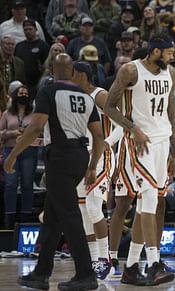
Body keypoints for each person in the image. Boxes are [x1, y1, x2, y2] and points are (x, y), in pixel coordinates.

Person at [9, 53, 103, 290]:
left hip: (60, 157)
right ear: (72, 71)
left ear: (52, 68)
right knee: (52, 217)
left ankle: (86, 274)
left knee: (70, 216)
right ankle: (41, 274)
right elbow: (99, 137)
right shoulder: (86, 96)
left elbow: (36, 127)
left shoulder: (48, 91)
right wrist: (92, 167)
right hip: (81, 157)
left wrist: (12, 155)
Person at [104, 35, 175, 286]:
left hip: (162, 142)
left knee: (154, 203)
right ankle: (154, 262)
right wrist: (132, 127)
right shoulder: (130, 70)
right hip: (140, 142)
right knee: (146, 200)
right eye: (169, 52)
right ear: (156, 51)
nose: (173, 57)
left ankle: (132, 266)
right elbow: (109, 107)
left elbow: (171, 112)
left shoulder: (171, 73)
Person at [71, 61, 115, 280]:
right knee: (83, 212)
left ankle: (105, 260)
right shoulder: (74, 98)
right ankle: (92, 259)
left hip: (101, 157)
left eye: (72, 74)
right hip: (81, 157)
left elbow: (123, 123)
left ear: (82, 75)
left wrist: (107, 142)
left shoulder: (100, 95)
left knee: (93, 206)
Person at [0, 84, 39, 228]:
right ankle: (8, 219)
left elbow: (39, 131)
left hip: (29, 151)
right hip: (10, 150)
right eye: (21, 93)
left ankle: (26, 218)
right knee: (10, 184)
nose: (24, 95)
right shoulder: (7, 114)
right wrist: (11, 133)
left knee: (27, 185)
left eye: (26, 93)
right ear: (16, 95)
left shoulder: (34, 114)